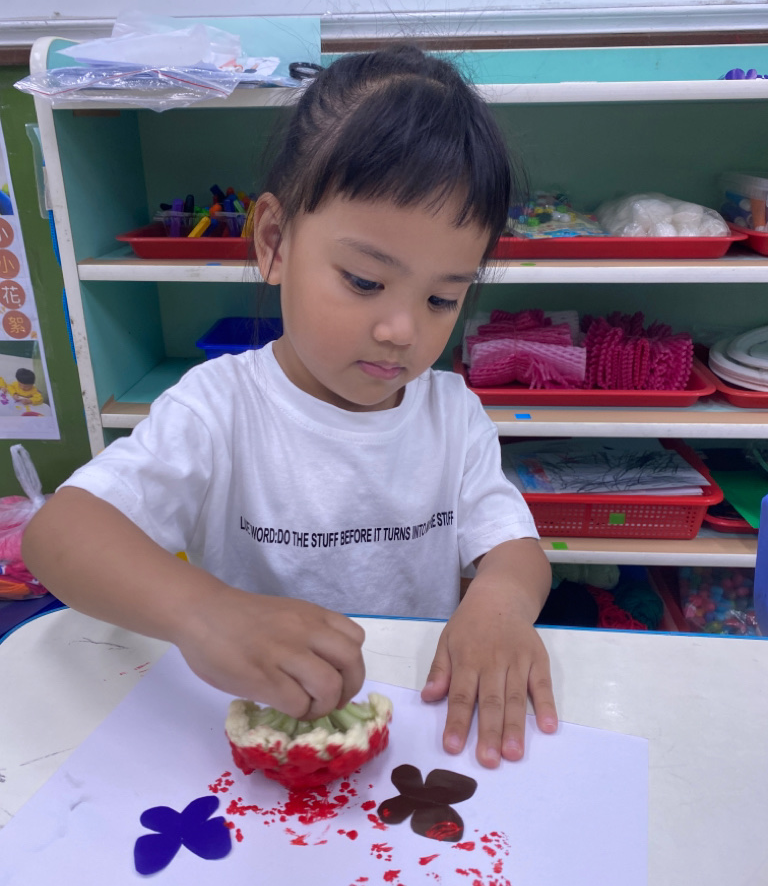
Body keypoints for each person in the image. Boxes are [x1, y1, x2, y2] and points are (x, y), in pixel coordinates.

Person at [22, 45, 557, 769]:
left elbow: (514, 548)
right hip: (253, 738)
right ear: (275, 243)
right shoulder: (219, 408)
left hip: (417, 737)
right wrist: (202, 612)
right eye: (364, 281)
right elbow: (58, 535)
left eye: (441, 298)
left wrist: (499, 603)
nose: (401, 330)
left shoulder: (451, 413)